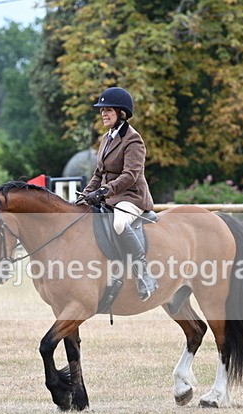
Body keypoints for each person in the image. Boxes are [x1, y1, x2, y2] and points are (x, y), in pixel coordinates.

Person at [78, 87, 158, 301]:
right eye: (102, 110)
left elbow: (130, 175)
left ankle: (144, 274)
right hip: (110, 197)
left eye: (108, 110)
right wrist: (86, 194)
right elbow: (98, 174)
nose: (103, 114)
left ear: (121, 113)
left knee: (119, 224)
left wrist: (104, 191)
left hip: (131, 197)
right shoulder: (106, 139)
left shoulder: (133, 140)